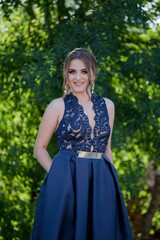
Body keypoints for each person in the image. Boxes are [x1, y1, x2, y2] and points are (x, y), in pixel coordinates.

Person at [31, 48, 133, 240]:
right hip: (66, 179)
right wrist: (57, 176)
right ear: (66, 75)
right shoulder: (57, 106)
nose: (78, 77)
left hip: (102, 181)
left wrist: (112, 182)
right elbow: (39, 148)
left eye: (84, 71)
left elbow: (107, 148)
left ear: (93, 73)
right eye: (72, 71)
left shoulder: (108, 106)